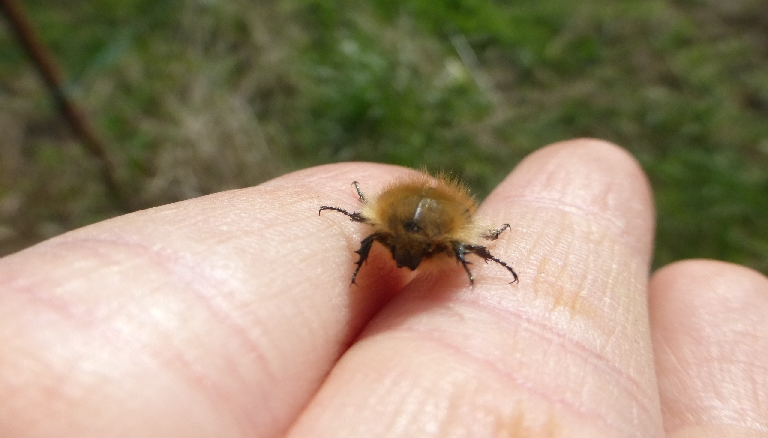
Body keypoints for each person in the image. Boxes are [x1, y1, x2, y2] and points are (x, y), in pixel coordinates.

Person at [0, 139, 765, 437]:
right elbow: (379, 227)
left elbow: (448, 237)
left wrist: (473, 256)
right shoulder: (384, 223)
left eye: (409, 250)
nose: (401, 256)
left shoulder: (446, 238)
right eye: (393, 246)